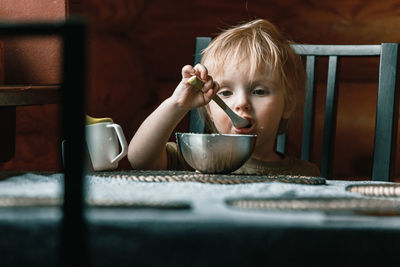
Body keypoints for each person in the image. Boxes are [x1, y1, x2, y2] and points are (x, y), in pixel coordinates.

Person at [128, 19, 320, 176]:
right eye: (226, 93)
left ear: (288, 104)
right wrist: (177, 104)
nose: (242, 103)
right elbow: (139, 159)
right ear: (209, 109)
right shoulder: (195, 157)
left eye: (259, 91)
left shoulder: (304, 174)